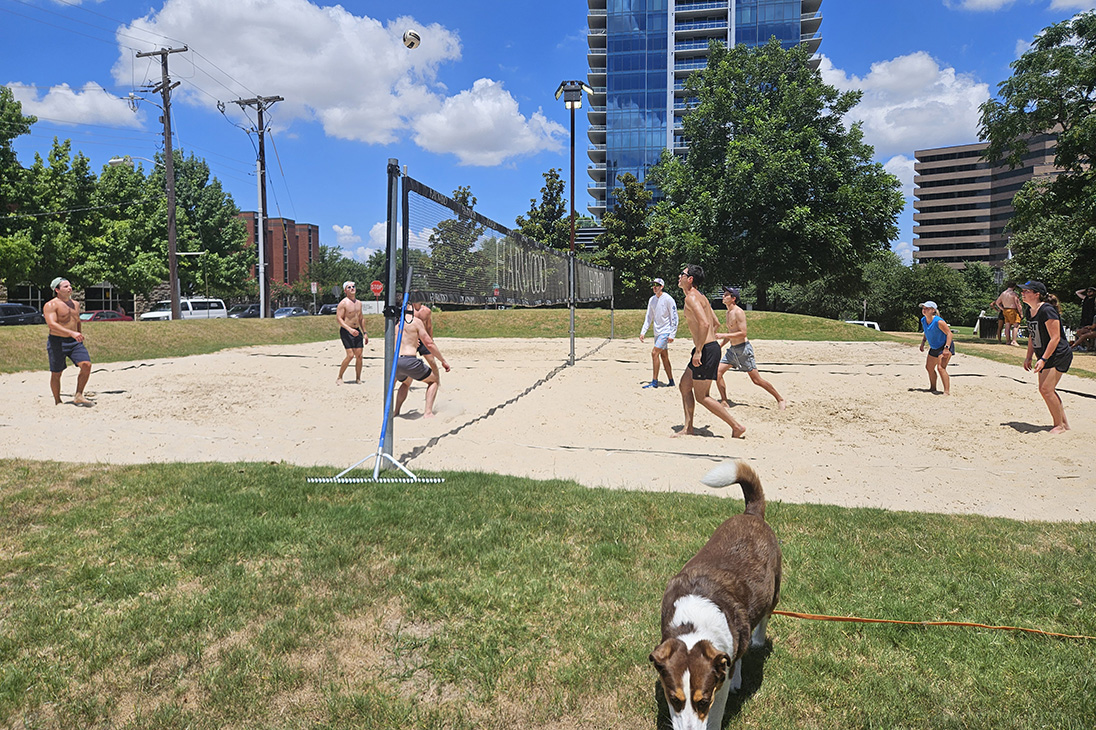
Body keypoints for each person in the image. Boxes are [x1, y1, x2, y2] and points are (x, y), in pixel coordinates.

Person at [674, 265, 746, 439]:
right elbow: (715, 323)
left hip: (704, 350)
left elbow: (706, 324)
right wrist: (707, 344)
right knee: (684, 385)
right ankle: (688, 427)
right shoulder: (701, 297)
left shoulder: (691, 298)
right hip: (706, 348)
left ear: (690, 279)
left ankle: (736, 426)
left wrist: (700, 350)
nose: (679, 276)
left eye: (682, 274)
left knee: (702, 396)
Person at [714, 286, 786, 410]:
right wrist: (720, 345)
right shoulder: (728, 312)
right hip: (732, 351)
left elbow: (743, 333)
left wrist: (723, 335)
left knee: (756, 380)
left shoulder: (738, 312)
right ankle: (724, 401)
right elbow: (731, 331)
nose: (723, 296)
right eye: (724, 294)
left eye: (726, 295)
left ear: (733, 298)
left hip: (743, 350)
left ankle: (780, 399)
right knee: (717, 373)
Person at [1020, 281, 1072, 434]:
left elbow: (1055, 338)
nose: (1022, 293)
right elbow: (1032, 335)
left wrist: (1043, 359)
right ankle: (1064, 424)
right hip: (1045, 355)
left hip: (1058, 354)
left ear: (1037, 294)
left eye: (1026, 291)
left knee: (1046, 389)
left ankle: (1059, 425)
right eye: (1022, 291)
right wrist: (1029, 356)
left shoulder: (1047, 310)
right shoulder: (1030, 311)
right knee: (1046, 390)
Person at [43, 277, 93, 406]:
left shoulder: (75, 304)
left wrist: (78, 334)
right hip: (57, 342)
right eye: (65, 286)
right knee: (56, 373)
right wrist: (71, 332)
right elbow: (52, 324)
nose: (69, 288)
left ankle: (79, 395)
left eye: (70, 286)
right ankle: (58, 401)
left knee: (86, 365)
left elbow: (77, 321)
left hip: (74, 341)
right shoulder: (51, 305)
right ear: (57, 290)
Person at [394, 305, 451, 418]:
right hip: (409, 360)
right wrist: (443, 361)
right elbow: (429, 343)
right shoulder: (416, 322)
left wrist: (414, 340)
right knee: (433, 381)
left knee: (406, 382)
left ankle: (396, 412)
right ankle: (428, 412)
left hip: (395, 361)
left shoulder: (395, 324)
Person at [639, 277, 678, 388]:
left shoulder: (668, 299)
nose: (654, 287)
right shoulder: (652, 300)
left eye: (657, 285)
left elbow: (674, 317)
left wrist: (672, 334)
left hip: (665, 332)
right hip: (657, 332)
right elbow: (648, 317)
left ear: (662, 287)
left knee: (654, 353)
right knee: (664, 357)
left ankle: (654, 382)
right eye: (653, 285)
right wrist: (643, 332)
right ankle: (671, 381)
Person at [918, 301, 954, 395]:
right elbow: (927, 331)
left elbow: (949, 334)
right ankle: (933, 388)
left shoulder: (939, 321)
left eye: (927, 308)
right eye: (923, 308)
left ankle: (946, 391)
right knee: (929, 367)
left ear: (933, 310)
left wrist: (946, 348)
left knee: (941, 368)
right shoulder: (923, 320)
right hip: (934, 346)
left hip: (944, 345)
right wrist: (923, 343)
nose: (924, 310)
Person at [336, 281, 368, 385]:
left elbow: (361, 318)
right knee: (350, 355)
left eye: (353, 286)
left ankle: (358, 378)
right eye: (349, 287)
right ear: (345, 290)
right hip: (346, 331)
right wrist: (349, 329)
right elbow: (339, 319)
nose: (352, 288)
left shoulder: (359, 303)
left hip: (357, 331)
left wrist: (365, 333)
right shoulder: (343, 303)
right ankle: (340, 376)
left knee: (359, 356)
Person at [411, 293, 439, 378]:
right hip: (412, 339)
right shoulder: (408, 310)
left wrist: (430, 340)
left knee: (432, 362)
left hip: (423, 339)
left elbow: (429, 326)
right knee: (407, 361)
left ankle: (437, 380)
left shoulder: (427, 311)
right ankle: (391, 384)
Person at [991, 281, 1023, 346]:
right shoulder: (1014, 294)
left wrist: (1002, 309)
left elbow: (997, 302)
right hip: (1013, 310)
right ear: (1014, 286)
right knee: (1016, 325)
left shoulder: (1003, 293)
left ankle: (1008, 341)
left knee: (1007, 326)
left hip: (1005, 310)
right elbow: (1018, 304)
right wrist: (1021, 313)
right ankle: (1014, 341)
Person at [1069, 286, 1096, 350]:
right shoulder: (1085, 298)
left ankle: (1091, 346)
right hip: (1084, 318)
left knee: (1089, 333)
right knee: (1080, 332)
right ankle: (1088, 345)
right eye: (1088, 291)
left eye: (1090, 291)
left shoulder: (1094, 299)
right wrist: (1085, 289)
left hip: (1091, 318)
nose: (1088, 293)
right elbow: (1077, 292)